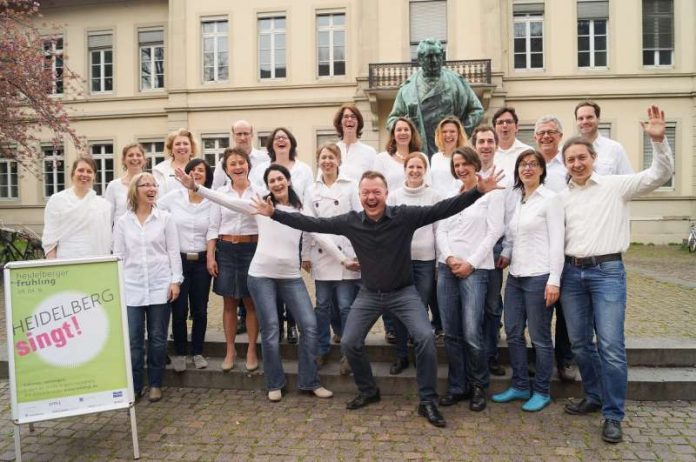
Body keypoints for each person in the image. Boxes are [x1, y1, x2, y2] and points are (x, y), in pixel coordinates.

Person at [251, 168, 505, 428]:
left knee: (425, 338)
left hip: (404, 294)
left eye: (376, 192)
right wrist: (275, 214)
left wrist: (477, 191)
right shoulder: (351, 221)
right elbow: (313, 224)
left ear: (386, 193)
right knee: (349, 342)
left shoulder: (404, 216)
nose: (371, 197)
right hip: (369, 294)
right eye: (366, 192)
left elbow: (442, 209)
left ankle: (427, 400)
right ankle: (368, 390)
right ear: (359, 195)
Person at [177, 164, 337, 402]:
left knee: (310, 325)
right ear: (268, 185)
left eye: (280, 179)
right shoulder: (261, 205)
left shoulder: (301, 208)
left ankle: (309, 381)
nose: (277, 183)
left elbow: (319, 235)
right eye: (272, 180)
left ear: (288, 181)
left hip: (291, 276)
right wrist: (197, 188)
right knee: (271, 329)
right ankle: (275, 383)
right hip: (261, 275)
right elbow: (225, 201)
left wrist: (344, 259)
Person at [561, 106, 673, 444]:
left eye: (582, 157)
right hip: (571, 274)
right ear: (565, 165)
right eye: (571, 160)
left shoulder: (615, 185)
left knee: (610, 346)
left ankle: (613, 414)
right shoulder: (562, 197)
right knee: (580, 343)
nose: (577, 164)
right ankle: (594, 396)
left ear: (593, 157)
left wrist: (659, 141)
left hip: (608, 272)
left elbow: (659, 175)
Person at [491, 149, 563, 412]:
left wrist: (554, 280)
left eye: (533, 164)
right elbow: (513, 236)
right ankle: (520, 385)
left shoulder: (551, 200)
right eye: (523, 165)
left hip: (539, 276)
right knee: (512, 332)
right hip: (516, 276)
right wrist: (507, 253)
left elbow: (557, 243)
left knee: (540, 337)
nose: (527, 168)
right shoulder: (518, 199)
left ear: (542, 170)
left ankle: (542, 390)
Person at [436, 147, 504, 413]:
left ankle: (478, 385)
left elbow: (494, 231)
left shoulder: (491, 193)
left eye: (465, 163)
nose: (461, 168)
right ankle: (457, 386)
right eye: (456, 164)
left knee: (472, 333)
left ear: (475, 164)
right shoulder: (450, 193)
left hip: (476, 270)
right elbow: (440, 227)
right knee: (451, 333)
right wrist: (450, 256)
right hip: (447, 268)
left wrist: (470, 263)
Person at [113, 172, 183, 402]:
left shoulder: (165, 218)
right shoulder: (123, 222)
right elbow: (119, 255)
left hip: (159, 285)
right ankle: (135, 384)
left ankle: (155, 383)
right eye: (146, 185)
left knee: (157, 337)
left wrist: (175, 280)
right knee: (134, 340)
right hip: (131, 286)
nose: (152, 188)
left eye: (154, 185)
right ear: (136, 190)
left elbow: (173, 251)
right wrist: (118, 284)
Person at [249, 127, 315, 343]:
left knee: (289, 272)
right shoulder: (261, 169)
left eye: (284, 137)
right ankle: (277, 323)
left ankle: (292, 326)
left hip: (296, 224)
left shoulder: (303, 169)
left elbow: (307, 200)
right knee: (272, 279)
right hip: (270, 222)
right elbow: (257, 196)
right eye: (276, 138)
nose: (280, 140)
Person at [302, 143, 361, 375]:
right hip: (322, 256)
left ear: (338, 161)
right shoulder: (311, 189)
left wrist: (358, 252)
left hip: (347, 253)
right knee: (323, 306)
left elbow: (358, 220)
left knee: (346, 306)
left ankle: (348, 352)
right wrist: (305, 253)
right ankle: (321, 348)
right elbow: (308, 224)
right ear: (318, 161)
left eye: (331, 157)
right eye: (323, 157)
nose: (327, 161)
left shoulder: (351, 185)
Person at [372, 116, 428, 343]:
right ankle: (392, 328)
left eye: (406, 129)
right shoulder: (381, 159)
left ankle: (416, 331)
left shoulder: (421, 157)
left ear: (411, 133)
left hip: (415, 221)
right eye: (398, 129)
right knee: (389, 282)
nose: (402, 133)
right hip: (389, 221)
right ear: (393, 134)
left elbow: (428, 184)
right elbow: (376, 187)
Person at [386, 153, 441, 375]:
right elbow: (388, 230)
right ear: (405, 169)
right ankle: (401, 355)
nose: (415, 170)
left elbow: (439, 230)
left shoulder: (434, 196)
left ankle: (420, 354)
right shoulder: (395, 196)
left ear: (425, 170)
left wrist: (438, 261)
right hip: (400, 261)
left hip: (426, 261)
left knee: (420, 308)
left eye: (419, 166)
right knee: (399, 308)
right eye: (411, 166)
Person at [206, 148, 260, 372]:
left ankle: (250, 350)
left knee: (250, 304)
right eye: (232, 164)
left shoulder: (260, 192)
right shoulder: (219, 193)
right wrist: (210, 256)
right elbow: (212, 226)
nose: (238, 167)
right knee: (228, 304)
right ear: (226, 170)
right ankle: (230, 350)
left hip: (251, 249)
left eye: (241, 162)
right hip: (226, 249)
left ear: (248, 165)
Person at [158, 158, 214, 372]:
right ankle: (181, 352)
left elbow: (213, 230)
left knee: (200, 309)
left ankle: (197, 351)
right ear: (186, 175)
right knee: (179, 309)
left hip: (201, 262)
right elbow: (155, 212)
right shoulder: (172, 198)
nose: (197, 173)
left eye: (201, 170)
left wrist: (210, 257)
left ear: (207, 176)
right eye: (193, 170)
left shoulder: (211, 200)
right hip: (178, 261)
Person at [532, 115, 576, 382]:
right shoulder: (530, 165)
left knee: (565, 309)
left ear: (560, 136)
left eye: (551, 132)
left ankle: (565, 360)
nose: (546, 136)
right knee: (538, 311)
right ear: (535, 137)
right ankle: (542, 361)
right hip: (536, 249)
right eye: (541, 132)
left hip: (565, 245)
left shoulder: (567, 167)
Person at [386, 38, 484, 157]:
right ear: (420, 59)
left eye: (438, 55)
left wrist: (459, 133)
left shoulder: (456, 82)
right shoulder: (408, 88)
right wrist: (405, 130)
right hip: (419, 150)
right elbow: (392, 120)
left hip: (449, 150)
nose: (435, 60)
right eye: (429, 56)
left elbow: (477, 110)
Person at [471, 126, 507, 377]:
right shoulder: (465, 176)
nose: (485, 145)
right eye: (481, 141)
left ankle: (491, 354)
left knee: (492, 305)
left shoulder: (505, 175)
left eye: (489, 141)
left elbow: (512, 214)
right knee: (473, 305)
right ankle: (473, 355)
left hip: (494, 248)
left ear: (496, 145)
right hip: (469, 247)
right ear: (475, 146)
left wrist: (509, 247)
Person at [42, 156, 112, 259]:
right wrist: (53, 266)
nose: (84, 174)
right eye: (80, 170)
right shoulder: (57, 200)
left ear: (94, 177)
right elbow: (50, 239)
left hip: (95, 261)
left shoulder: (103, 205)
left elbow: (106, 239)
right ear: (72, 174)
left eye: (89, 171)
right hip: (66, 261)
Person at [574, 101, 633, 175]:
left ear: (598, 119)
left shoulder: (615, 149)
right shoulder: (567, 151)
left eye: (589, 117)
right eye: (580, 118)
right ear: (576, 121)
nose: (585, 121)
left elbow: (628, 179)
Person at [212, 120, 271, 189]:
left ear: (252, 135)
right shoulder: (225, 161)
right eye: (239, 134)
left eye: (246, 134)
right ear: (233, 136)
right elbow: (215, 188)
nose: (242, 138)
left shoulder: (266, 158)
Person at [333, 103, 377, 182]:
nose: (349, 119)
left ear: (358, 122)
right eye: (346, 116)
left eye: (353, 117)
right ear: (340, 123)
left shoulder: (370, 152)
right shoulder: (332, 151)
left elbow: (375, 181)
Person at [104, 143, 146, 225]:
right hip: (121, 236)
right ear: (123, 160)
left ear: (144, 159)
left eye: (138, 155)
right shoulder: (113, 186)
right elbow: (107, 217)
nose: (135, 158)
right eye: (130, 155)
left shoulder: (154, 184)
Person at [430, 116, 468, 198]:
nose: (448, 135)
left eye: (452, 131)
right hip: (435, 205)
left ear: (459, 134)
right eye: (444, 132)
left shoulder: (465, 158)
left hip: (454, 204)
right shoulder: (435, 157)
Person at [153, 128, 198, 195]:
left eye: (185, 143)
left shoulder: (201, 168)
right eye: (177, 144)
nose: (182, 147)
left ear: (192, 148)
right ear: (171, 149)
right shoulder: (159, 170)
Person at [493, 107, 533, 180]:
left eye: (509, 121)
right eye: (500, 122)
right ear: (494, 129)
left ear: (517, 127)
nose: (504, 125)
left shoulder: (527, 152)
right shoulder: (489, 153)